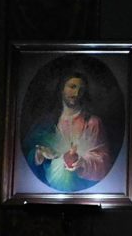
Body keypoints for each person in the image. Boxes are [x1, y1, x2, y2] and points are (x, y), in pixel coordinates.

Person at [23, 64, 113, 192]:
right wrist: (39, 154)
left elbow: (104, 161)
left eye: (81, 90)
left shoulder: (93, 122)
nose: (76, 93)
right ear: (61, 89)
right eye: (72, 87)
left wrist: (82, 162)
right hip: (47, 191)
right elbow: (27, 153)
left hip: (83, 190)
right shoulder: (46, 122)